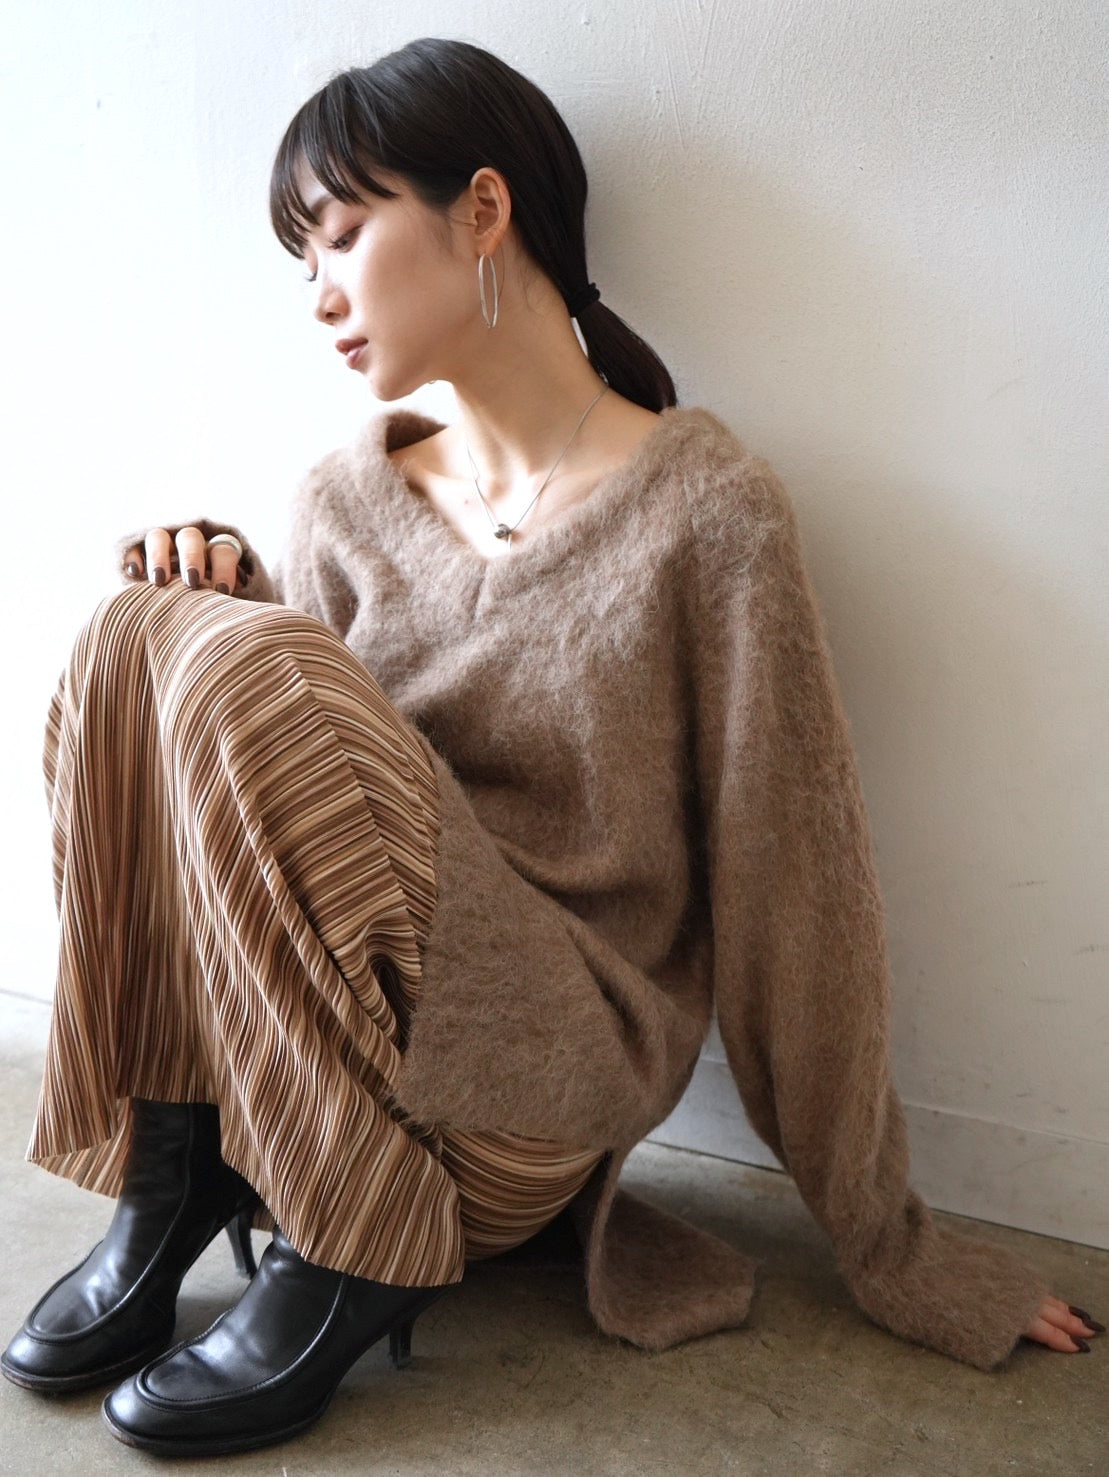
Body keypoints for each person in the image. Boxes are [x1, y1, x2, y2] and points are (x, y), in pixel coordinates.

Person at [2, 35, 1100, 1462]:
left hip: (535, 1084)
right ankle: (177, 1176)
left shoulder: (706, 506)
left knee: (224, 645)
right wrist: (224, 609)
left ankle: (353, 1236)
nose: (318, 292)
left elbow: (797, 888)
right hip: (333, 1073)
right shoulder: (343, 499)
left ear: (482, 209)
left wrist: (893, 1242)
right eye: (300, 260)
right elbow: (286, 839)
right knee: (143, 619)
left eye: (342, 235)